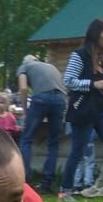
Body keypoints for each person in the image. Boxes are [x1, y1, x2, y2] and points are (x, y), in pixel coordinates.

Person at [59, 19, 103, 200]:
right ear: (95, 34)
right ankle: (65, 191)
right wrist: (93, 84)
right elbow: (69, 81)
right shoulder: (79, 55)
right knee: (78, 151)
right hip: (84, 111)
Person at [16, 49, 67, 193]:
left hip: (41, 99)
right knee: (53, 142)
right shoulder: (51, 66)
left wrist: (26, 111)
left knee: (26, 139)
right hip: (60, 100)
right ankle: (46, 183)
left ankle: (24, 180)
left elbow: (24, 88)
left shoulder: (25, 66)